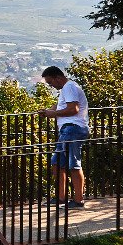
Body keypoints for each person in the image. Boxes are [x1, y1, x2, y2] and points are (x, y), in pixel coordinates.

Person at [40, 65, 89, 207]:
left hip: (73, 129)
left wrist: (53, 114)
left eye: (50, 82)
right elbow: (61, 106)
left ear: (58, 78)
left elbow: (73, 109)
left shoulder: (69, 87)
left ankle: (78, 200)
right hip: (68, 130)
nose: (51, 85)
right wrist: (49, 111)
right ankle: (61, 197)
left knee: (73, 164)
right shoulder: (67, 89)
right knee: (57, 163)